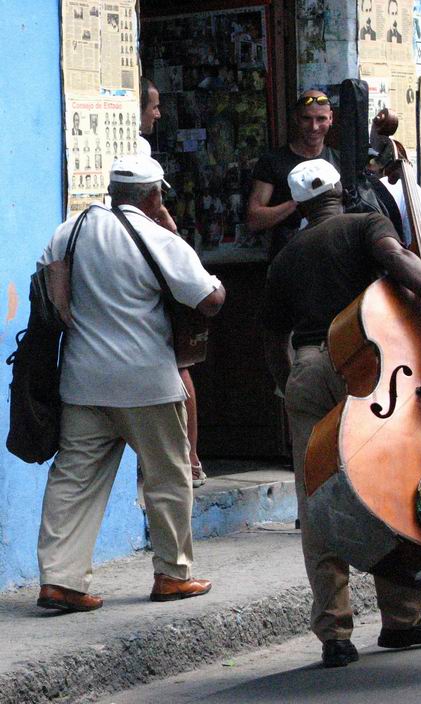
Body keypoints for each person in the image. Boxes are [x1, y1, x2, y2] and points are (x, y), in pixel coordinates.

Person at [262, 159, 421, 667]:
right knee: (386, 485)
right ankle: (402, 620)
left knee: (319, 495)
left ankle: (334, 632)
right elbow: (397, 259)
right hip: (366, 364)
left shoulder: (286, 256)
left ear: (301, 206)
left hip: (307, 368)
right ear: (339, 190)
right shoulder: (365, 224)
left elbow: (271, 336)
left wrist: (287, 385)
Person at [36, 154, 225, 613]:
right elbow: (210, 299)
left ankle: (60, 580)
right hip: (147, 383)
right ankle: (172, 574)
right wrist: (177, 238)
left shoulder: (71, 231)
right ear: (154, 195)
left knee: (74, 478)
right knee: (167, 475)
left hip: (82, 380)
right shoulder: (159, 238)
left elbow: (46, 284)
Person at [139, 76, 207, 487]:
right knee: (178, 362)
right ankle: (189, 457)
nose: (158, 114)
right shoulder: (141, 153)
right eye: (153, 107)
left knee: (179, 363)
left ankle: (190, 455)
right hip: (152, 263)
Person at [246, 89, 339, 259]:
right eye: (307, 118)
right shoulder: (273, 161)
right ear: (296, 118)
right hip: (288, 260)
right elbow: (254, 219)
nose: (314, 127)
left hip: (331, 258)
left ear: (331, 118)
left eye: (321, 119)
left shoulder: (339, 161)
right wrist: (299, 199)